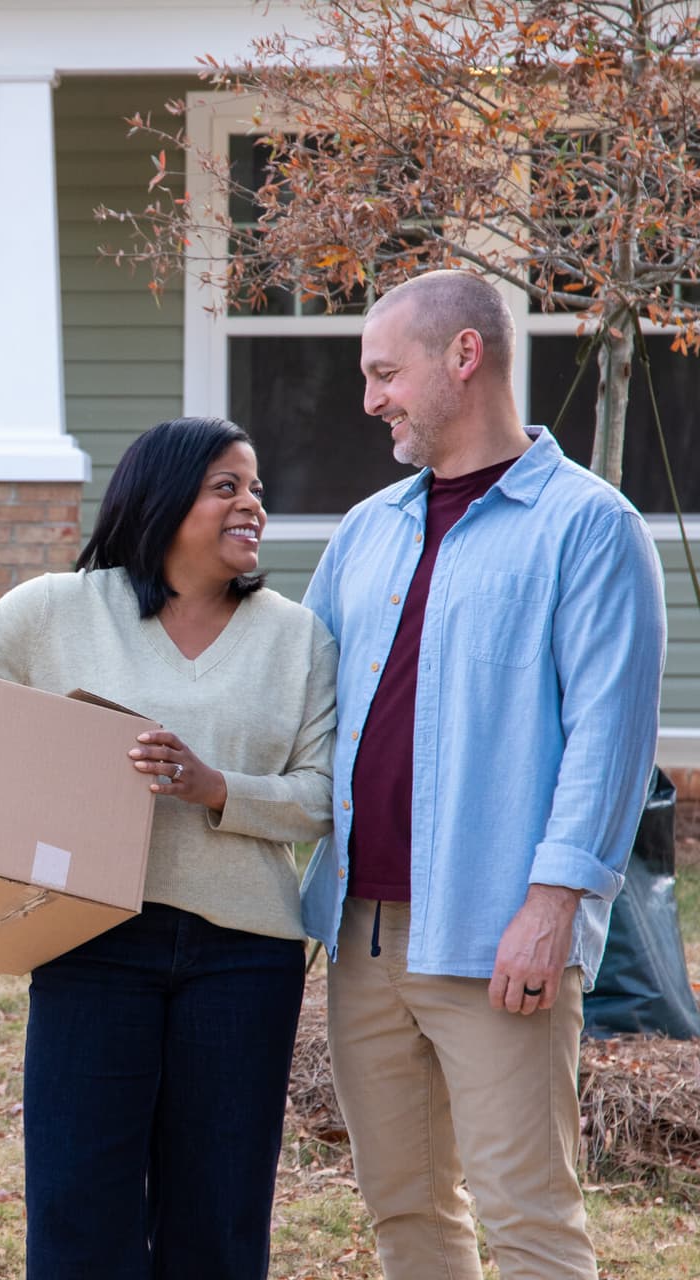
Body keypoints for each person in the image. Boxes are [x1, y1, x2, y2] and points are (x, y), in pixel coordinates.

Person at [0, 417, 337, 1279]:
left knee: (221, 1221)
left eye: (257, 488)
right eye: (226, 487)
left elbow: (320, 797)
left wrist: (216, 786)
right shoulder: (63, 610)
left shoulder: (296, 637)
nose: (252, 506)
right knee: (80, 1209)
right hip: (91, 943)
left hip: (245, 956)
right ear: (162, 501)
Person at [300, 269, 667, 1278]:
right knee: (406, 1212)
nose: (370, 398)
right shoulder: (367, 528)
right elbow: (300, 701)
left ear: (463, 355)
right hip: (361, 933)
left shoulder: (589, 527)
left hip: (497, 932)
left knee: (529, 1218)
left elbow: (610, 737)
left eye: (385, 372)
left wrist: (553, 906)